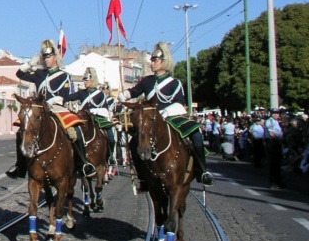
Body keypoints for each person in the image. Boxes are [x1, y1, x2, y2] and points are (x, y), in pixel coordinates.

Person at [118, 42, 214, 185]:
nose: (152, 63)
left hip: (171, 117)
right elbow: (134, 92)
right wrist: (124, 95)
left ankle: (202, 170)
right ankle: (143, 177)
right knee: (133, 143)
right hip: (151, 120)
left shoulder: (174, 83)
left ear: (163, 62)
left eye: (155, 60)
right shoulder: (147, 81)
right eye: (152, 60)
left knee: (196, 134)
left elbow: (180, 102)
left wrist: (165, 112)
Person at [17, 40, 96, 179]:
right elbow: (19, 74)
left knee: (75, 131)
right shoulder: (39, 74)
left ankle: (82, 163)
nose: (46, 60)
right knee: (21, 131)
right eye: (44, 57)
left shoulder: (64, 76)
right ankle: (21, 166)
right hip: (41, 110)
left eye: (49, 57)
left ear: (55, 57)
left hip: (57, 108)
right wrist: (30, 63)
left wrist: (54, 100)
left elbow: (65, 96)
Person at [68, 67, 115, 165]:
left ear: (92, 80)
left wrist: (93, 111)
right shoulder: (81, 93)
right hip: (85, 120)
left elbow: (105, 110)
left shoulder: (100, 94)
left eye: (86, 80)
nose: (84, 82)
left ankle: (110, 155)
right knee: (73, 135)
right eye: (84, 80)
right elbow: (70, 97)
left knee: (111, 136)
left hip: (98, 119)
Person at [264, 108, 284, 188]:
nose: (276, 114)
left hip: (276, 142)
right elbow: (271, 133)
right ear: (271, 114)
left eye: (277, 113)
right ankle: (273, 182)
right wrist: (279, 140)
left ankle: (278, 181)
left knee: (277, 163)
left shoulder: (276, 122)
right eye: (274, 113)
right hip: (272, 142)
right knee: (273, 163)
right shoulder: (270, 121)